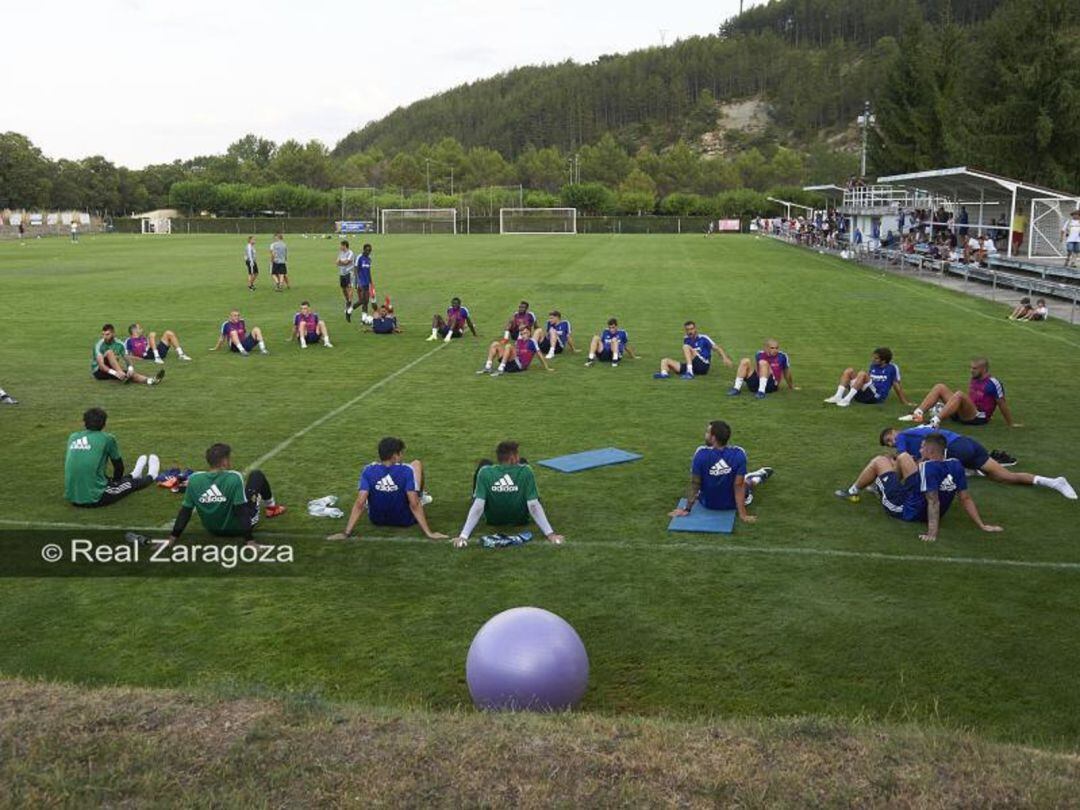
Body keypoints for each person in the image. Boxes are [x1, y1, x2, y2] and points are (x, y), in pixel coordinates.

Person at [833, 432, 1002, 543]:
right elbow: (965, 498)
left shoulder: (927, 469)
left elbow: (933, 502)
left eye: (922, 447)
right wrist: (982, 525)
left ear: (929, 451)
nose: (919, 449)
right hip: (920, 495)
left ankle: (854, 491)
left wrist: (932, 533)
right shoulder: (956, 465)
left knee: (879, 461)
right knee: (903, 457)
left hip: (907, 509)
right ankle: (889, 481)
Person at [878, 426, 1076, 499]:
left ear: (895, 431)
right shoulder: (915, 435)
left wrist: (891, 474)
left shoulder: (903, 436)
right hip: (969, 444)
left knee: (933, 475)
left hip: (955, 447)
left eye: (890, 437)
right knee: (1005, 477)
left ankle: (967, 471)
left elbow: (905, 458)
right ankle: (1054, 482)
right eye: (888, 442)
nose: (892, 441)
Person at [163, 443, 285, 547]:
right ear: (224, 461)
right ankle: (272, 508)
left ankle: (271, 508)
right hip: (237, 529)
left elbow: (185, 511)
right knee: (256, 475)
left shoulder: (194, 479)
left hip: (213, 530)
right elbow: (241, 511)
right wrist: (250, 541)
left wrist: (173, 538)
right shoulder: (234, 477)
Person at [327, 437, 446, 541]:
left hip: (377, 519)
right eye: (401, 453)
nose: (402, 456)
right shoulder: (406, 470)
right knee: (416, 464)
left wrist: (346, 533)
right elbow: (414, 504)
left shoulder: (367, 470)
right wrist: (429, 533)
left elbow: (360, 503)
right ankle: (421, 495)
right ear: (395, 456)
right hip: (404, 520)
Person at [453, 440, 563, 547]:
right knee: (524, 462)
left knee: (484, 463)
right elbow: (533, 505)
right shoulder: (526, 471)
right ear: (512, 458)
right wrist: (550, 534)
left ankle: (476, 494)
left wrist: (463, 536)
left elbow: (478, 506)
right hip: (520, 520)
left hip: (493, 520)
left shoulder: (485, 472)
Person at [668, 420, 773, 524]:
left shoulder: (700, 454)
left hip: (708, 503)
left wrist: (687, 509)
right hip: (730, 503)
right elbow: (738, 486)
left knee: (746, 483)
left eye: (708, 432)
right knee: (743, 483)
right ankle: (756, 477)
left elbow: (695, 484)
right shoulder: (739, 453)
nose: (705, 434)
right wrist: (743, 515)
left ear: (713, 438)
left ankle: (756, 478)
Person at [64, 407, 159, 507]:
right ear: (104, 424)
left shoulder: (73, 437)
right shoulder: (107, 438)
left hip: (73, 495)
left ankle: (134, 473)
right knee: (130, 485)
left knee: (110, 480)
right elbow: (119, 467)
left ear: (84, 422)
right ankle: (152, 475)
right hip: (95, 498)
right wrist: (116, 482)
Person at [903, 357, 1018, 428]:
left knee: (959, 394)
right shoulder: (974, 378)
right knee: (940, 387)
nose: (971, 371)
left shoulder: (993, 383)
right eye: (971, 368)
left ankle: (934, 421)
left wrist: (1010, 423)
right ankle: (917, 414)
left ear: (983, 369)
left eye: (974, 368)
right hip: (966, 412)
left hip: (978, 417)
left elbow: (1002, 403)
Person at [823, 347, 910, 408]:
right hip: (863, 395)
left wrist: (904, 402)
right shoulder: (873, 366)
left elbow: (896, 384)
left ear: (883, 360)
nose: (873, 359)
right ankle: (838, 396)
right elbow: (867, 380)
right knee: (849, 371)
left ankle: (847, 400)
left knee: (862, 373)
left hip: (876, 397)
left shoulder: (892, 368)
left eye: (876, 358)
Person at [653, 321, 731, 380]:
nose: (690, 331)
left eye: (691, 329)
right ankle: (664, 374)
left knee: (686, 347)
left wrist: (725, 358)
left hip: (703, 366)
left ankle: (689, 373)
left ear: (695, 329)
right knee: (665, 360)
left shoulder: (703, 338)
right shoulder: (686, 339)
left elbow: (717, 348)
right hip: (693, 365)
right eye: (688, 330)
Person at [92, 324, 164, 385]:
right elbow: (101, 366)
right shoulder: (99, 345)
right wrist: (116, 373)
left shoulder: (120, 344)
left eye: (107, 334)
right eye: (103, 334)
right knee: (110, 352)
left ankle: (151, 380)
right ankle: (121, 375)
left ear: (113, 333)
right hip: (99, 372)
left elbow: (127, 358)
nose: (104, 337)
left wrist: (130, 368)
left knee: (132, 374)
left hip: (113, 370)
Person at [727, 339, 797, 399]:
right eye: (772, 348)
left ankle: (761, 392)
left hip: (771, 385)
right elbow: (757, 369)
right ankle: (736, 389)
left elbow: (787, 373)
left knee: (763, 363)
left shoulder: (783, 356)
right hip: (756, 384)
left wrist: (791, 386)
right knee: (745, 361)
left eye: (777, 348)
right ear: (766, 348)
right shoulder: (759, 354)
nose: (775, 350)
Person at [477, 327, 551, 376]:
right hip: (510, 363)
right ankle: (488, 367)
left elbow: (539, 355)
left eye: (525, 333)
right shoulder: (519, 341)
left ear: (529, 333)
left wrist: (547, 367)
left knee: (508, 346)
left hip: (519, 366)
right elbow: (514, 351)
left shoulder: (532, 342)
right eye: (522, 334)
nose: (523, 335)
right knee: (495, 344)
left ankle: (500, 369)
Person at [125, 322, 192, 364]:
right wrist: (140, 359)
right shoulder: (129, 341)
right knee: (151, 335)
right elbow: (127, 355)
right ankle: (157, 358)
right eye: (139, 328)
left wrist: (152, 341)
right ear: (134, 331)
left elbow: (150, 344)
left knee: (168, 333)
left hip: (155, 351)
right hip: (147, 355)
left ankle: (181, 354)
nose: (142, 329)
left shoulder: (143, 338)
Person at [352, 243, 374, 323]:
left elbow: (368, 272)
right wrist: (357, 282)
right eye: (367, 250)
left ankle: (363, 318)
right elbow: (356, 270)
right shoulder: (359, 257)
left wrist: (371, 282)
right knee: (362, 300)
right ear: (364, 249)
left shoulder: (369, 259)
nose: (368, 252)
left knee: (366, 301)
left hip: (366, 283)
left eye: (370, 250)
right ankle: (350, 310)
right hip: (360, 282)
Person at [336, 240, 357, 319]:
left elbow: (346, 262)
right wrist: (342, 262)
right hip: (342, 273)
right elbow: (337, 262)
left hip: (349, 273)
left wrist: (342, 262)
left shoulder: (350, 253)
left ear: (345, 246)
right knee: (343, 289)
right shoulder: (341, 253)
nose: (340, 247)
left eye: (341, 245)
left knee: (349, 288)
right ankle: (347, 300)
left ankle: (349, 303)